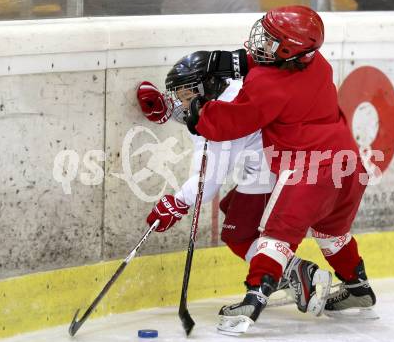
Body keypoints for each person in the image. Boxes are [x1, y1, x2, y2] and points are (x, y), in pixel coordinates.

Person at [185, 5, 377, 333]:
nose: (261, 41)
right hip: (348, 166)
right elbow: (277, 72)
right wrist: (238, 61)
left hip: (309, 171)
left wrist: (200, 114)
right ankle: (359, 289)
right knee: (332, 233)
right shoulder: (319, 63)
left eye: (271, 39)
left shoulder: (267, 84)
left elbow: (234, 121)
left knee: (276, 237)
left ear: (289, 50)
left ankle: (253, 300)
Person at [137, 51, 333, 325]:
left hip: (277, 172)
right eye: (179, 95)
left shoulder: (222, 116)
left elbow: (208, 183)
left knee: (239, 234)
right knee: (234, 213)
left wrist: (177, 203)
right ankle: (294, 272)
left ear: (208, 87)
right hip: (287, 163)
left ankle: (295, 273)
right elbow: (199, 119)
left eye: (187, 94)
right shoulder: (233, 89)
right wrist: (168, 112)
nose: (182, 102)